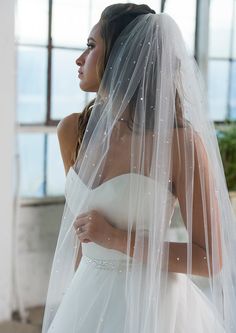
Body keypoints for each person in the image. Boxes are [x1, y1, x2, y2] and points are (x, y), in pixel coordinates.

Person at [42, 3, 236, 333]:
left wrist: (117, 239)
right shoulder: (72, 130)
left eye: (91, 46)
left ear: (121, 55)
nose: (79, 59)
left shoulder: (180, 143)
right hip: (87, 295)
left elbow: (211, 257)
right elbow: (81, 232)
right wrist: (74, 297)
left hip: (154, 308)